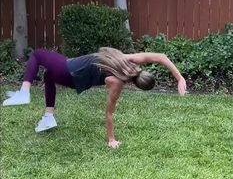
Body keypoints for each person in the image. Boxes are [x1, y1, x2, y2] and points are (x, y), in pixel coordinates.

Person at [2, 47, 187, 148]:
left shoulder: (127, 62)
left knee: (37, 54)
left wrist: (111, 139)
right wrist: (179, 78)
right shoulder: (120, 80)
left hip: (68, 69)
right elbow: (109, 113)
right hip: (72, 74)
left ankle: (24, 92)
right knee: (48, 76)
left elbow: (160, 57)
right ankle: (48, 117)